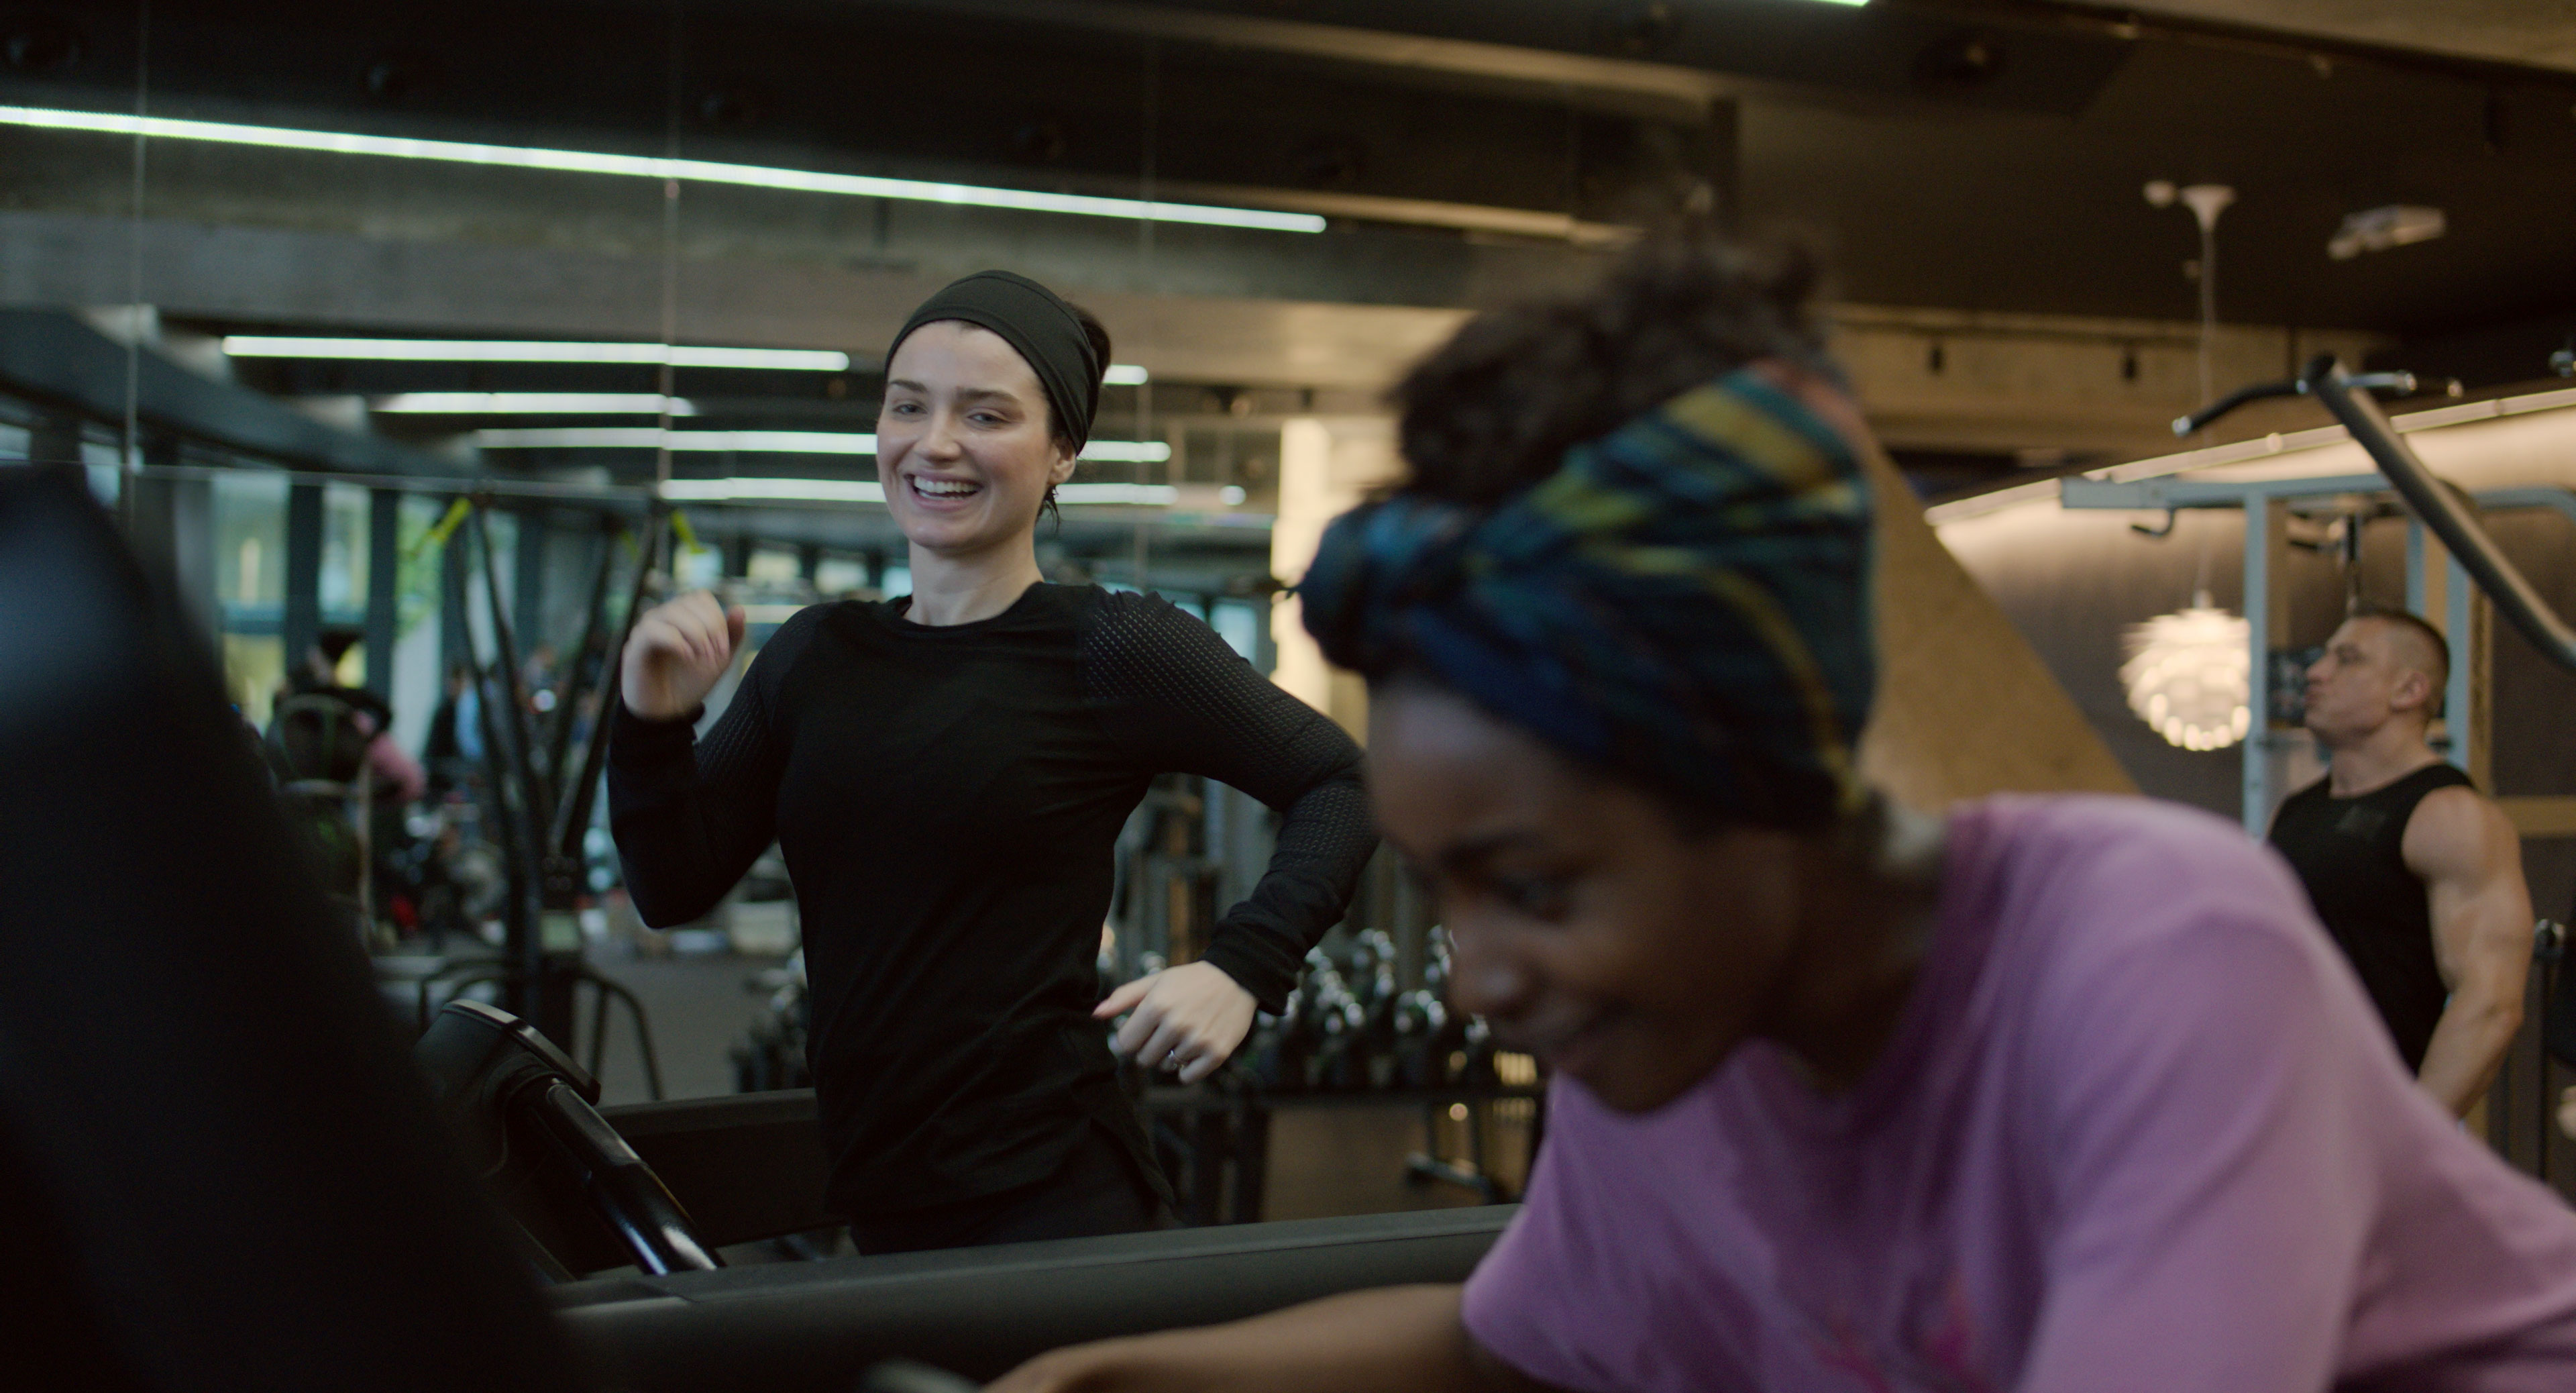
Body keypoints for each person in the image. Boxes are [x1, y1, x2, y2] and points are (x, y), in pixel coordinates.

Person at [990, 240, 2576, 1392]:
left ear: (1772, 789)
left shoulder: (2152, 950)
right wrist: (1112, 1377)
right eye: (1453, 891)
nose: (1480, 981)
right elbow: (1515, 1349)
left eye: (1533, 884)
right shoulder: (1666, 1043)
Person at [609, 270, 1373, 1253]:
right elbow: (670, 887)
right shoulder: (814, 656)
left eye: (985, 415)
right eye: (908, 406)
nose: (935, 443)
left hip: (1053, 1197)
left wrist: (1244, 965)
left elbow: (1344, 783)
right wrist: (653, 719)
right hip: (878, 1192)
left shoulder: (1114, 648)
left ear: (1061, 454)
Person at [2267, 609, 2534, 1117]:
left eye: (2348, 659)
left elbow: (2491, 1005)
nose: (2316, 673)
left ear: (2409, 690)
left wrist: (2409, 1139)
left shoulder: (2449, 815)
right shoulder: (2298, 810)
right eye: (2322, 658)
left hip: (2365, 1118)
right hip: (2279, 1109)